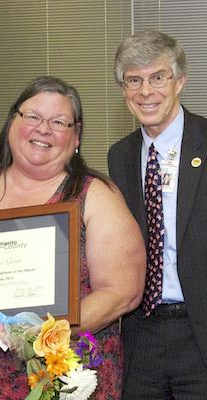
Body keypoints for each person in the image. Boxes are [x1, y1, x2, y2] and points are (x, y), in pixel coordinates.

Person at [0, 76, 146, 399]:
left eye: (59, 122)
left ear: (76, 136)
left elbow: (122, 293)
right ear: (12, 122)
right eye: (33, 117)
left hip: (63, 376)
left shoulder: (95, 195)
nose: (43, 129)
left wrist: (42, 335)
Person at [108, 30, 207, 399]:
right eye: (134, 80)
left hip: (200, 331)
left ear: (180, 80)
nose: (145, 91)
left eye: (157, 77)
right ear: (123, 90)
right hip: (142, 332)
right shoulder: (119, 156)